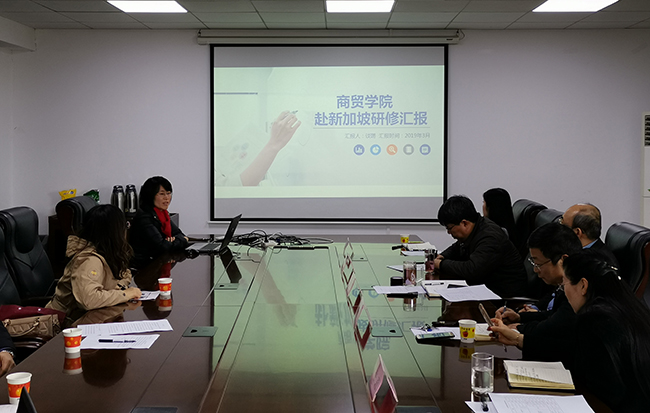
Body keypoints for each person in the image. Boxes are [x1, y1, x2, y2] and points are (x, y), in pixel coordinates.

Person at [559, 250, 650, 412]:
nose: (564, 292)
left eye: (564, 284)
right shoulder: (635, 308)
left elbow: (603, 392)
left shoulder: (593, 321)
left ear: (583, 285)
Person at [491, 223, 582, 364]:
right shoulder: (568, 281)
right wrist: (519, 318)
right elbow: (554, 315)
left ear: (563, 260)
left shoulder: (580, 288)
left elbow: (556, 326)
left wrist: (517, 330)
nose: (535, 270)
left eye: (538, 264)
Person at [46, 205, 141, 318]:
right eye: (125, 226)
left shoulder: (106, 252)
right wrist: (125, 294)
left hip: (86, 317)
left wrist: (117, 288)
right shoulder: (88, 259)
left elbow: (125, 273)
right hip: (64, 322)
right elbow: (88, 300)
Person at [433, 195, 527, 298]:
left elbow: (472, 270)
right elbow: (458, 246)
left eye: (449, 228)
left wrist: (441, 264)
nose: (448, 232)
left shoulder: (490, 237)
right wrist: (442, 256)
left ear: (464, 223)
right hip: (486, 287)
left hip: (503, 295)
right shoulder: (477, 227)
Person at [129, 176, 189, 265]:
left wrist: (175, 241)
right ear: (150, 196)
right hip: (145, 266)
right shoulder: (144, 217)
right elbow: (162, 247)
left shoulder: (163, 214)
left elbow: (179, 234)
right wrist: (183, 240)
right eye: (161, 194)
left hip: (160, 261)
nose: (166, 197)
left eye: (168, 193)